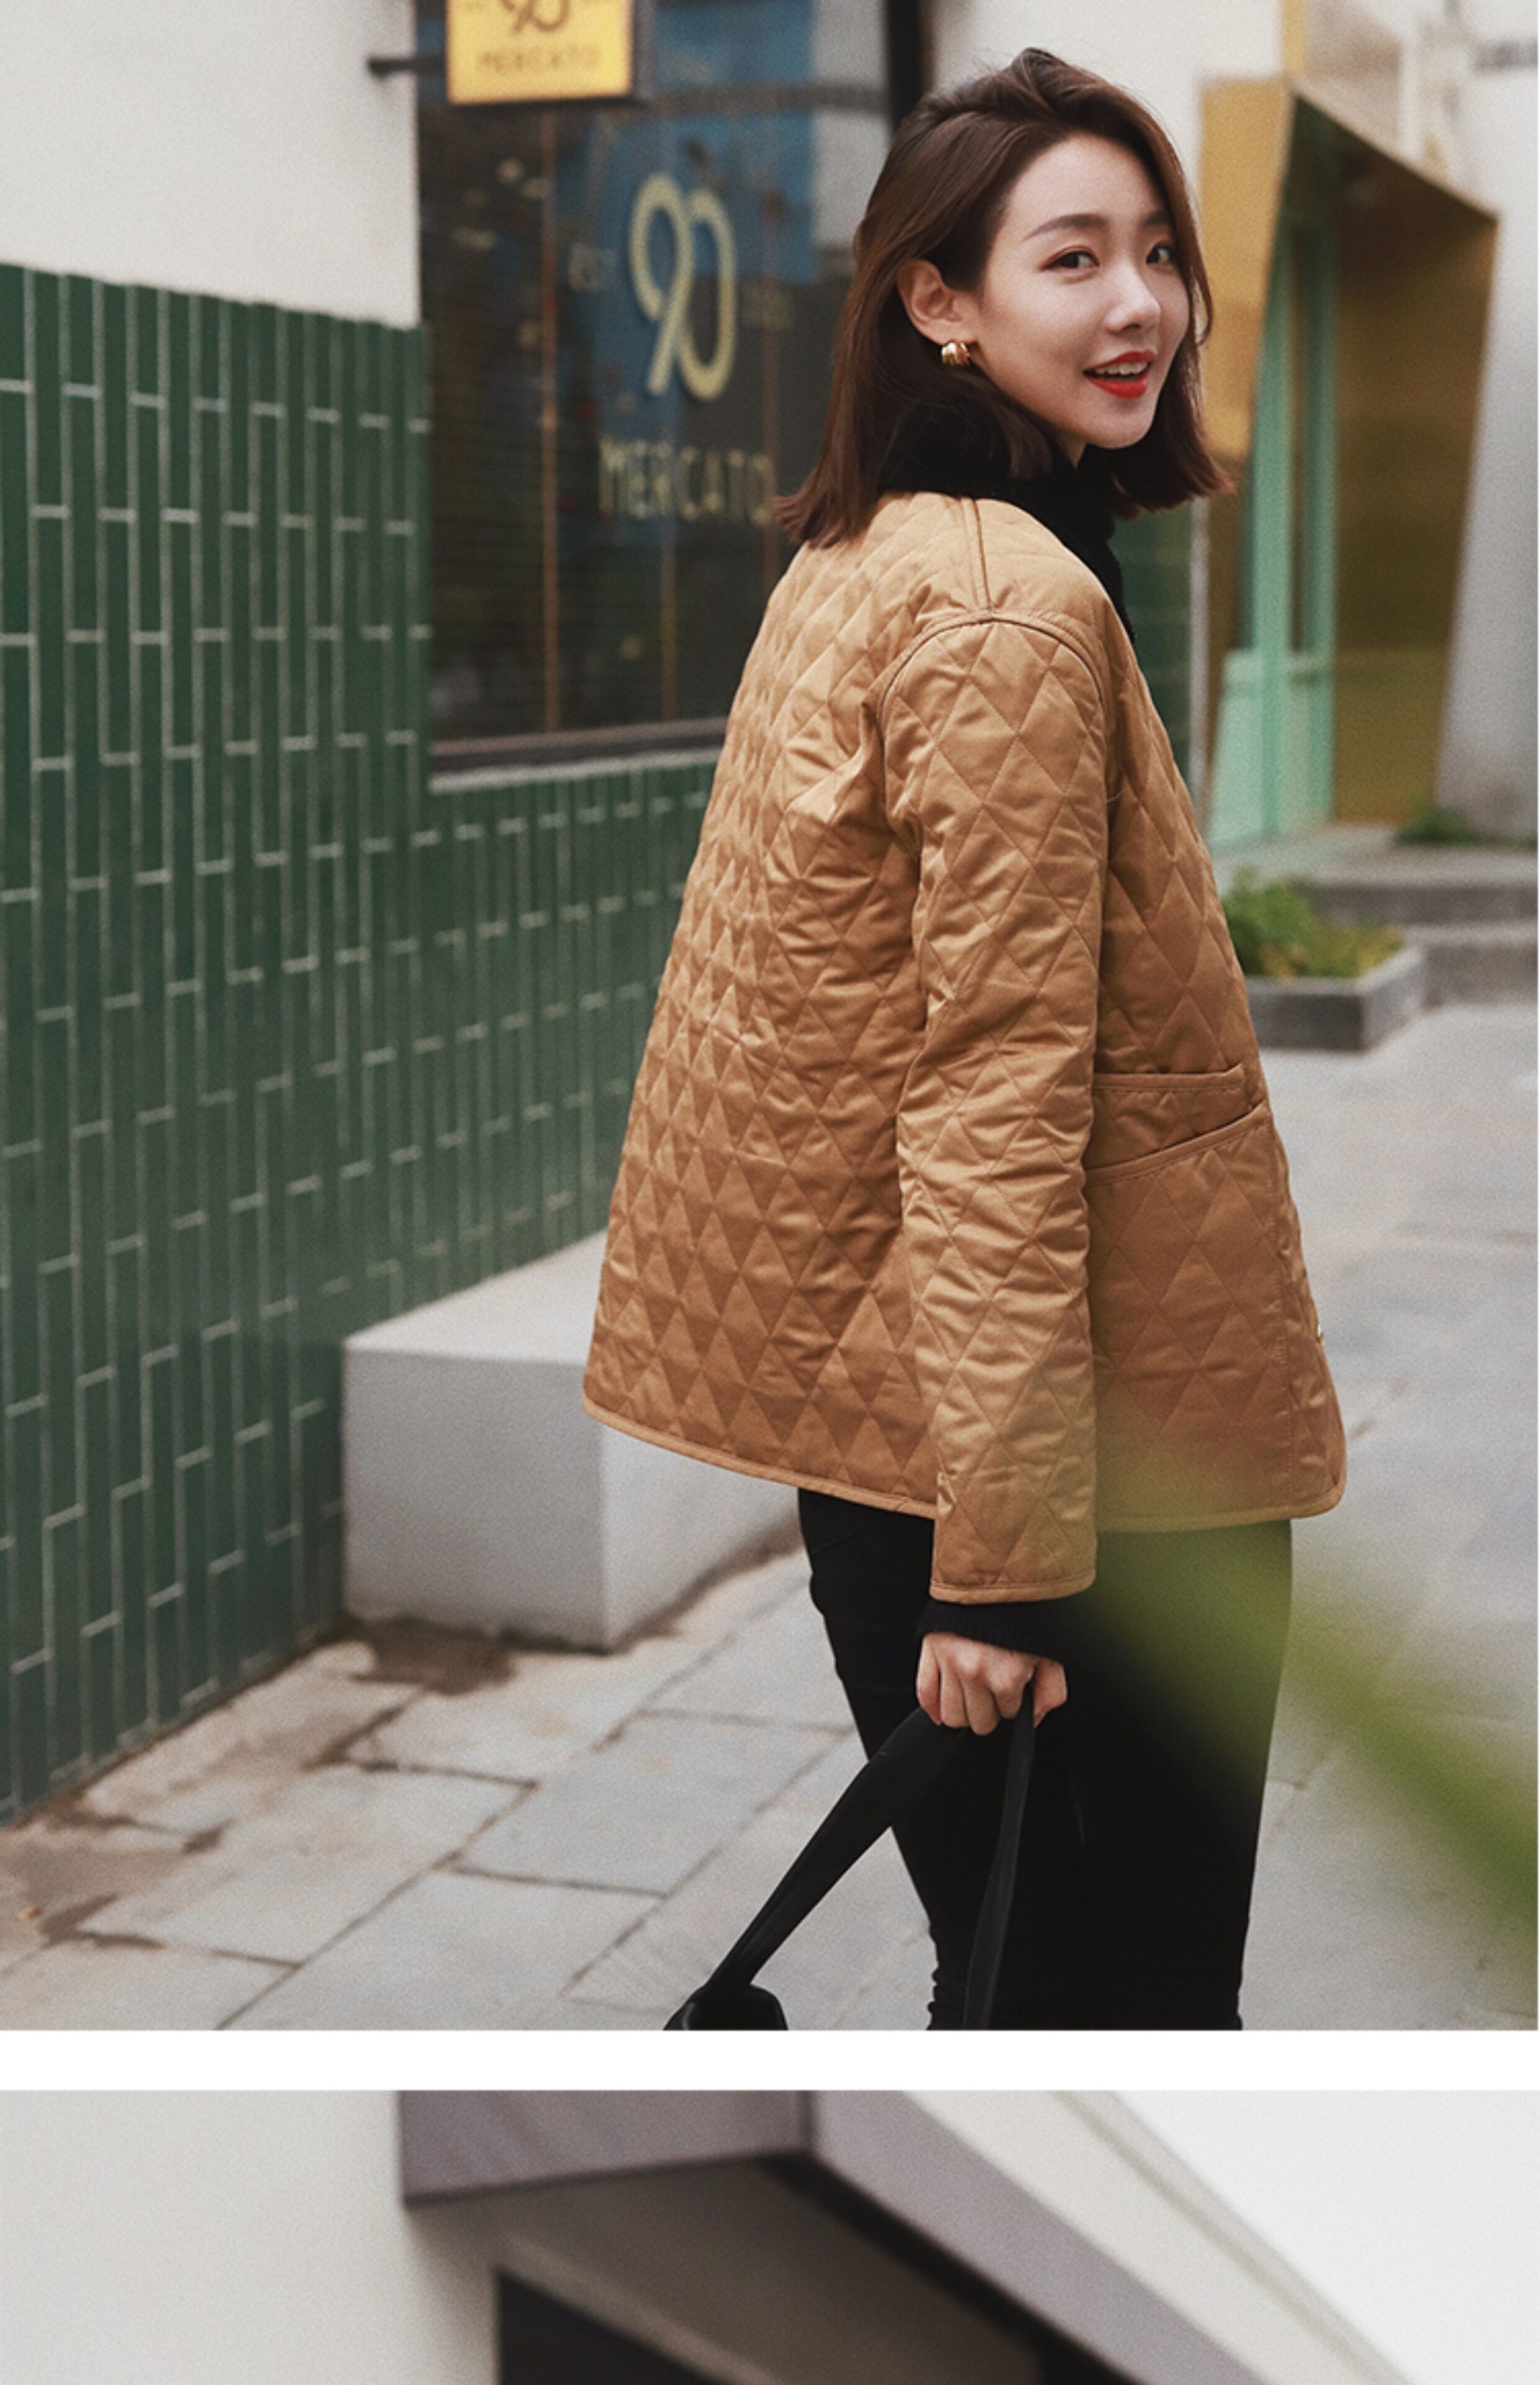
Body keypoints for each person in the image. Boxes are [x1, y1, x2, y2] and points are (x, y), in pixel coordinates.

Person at [582, 48, 1346, 2027]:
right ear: (940, 299)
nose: (1140, 305)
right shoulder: (1008, 607)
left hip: (920, 1441)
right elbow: (990, 1096)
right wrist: (1002, 1570)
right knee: (1128, 2017)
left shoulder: (864, 554)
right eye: (1071, 258)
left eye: (1157, 251)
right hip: (1089, 1484)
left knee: (1021, 1980)